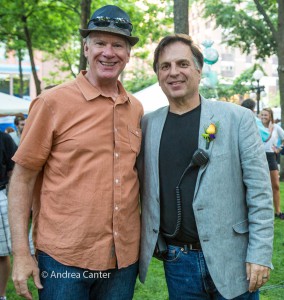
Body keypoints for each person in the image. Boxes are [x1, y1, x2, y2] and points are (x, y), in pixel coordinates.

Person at [8, 5, 143, 300]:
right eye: (100, 43)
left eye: (118, 44)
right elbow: (21, 179)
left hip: (122, 259)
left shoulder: (136, 109)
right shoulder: (51, 103)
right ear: (86, 47)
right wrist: (21, 253)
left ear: (128, 53)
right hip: (63, 258)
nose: (109, 52)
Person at [138, 34, 274, 300]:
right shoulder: (146, 125)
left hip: (234, 257)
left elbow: (260, 193)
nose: (173, 72)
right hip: (178, 262)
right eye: (165, 66)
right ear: (157, 74)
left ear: (199, 71)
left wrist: (259, 254)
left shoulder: (237, 119)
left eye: (182, 64)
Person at [0, 131, 17, 300]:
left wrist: (12, 196)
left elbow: (14, 170)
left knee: (1, 253)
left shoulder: (3, 138)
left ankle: (1, 295)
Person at [260, 107, 284, 220]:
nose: (264, 117)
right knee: (260, 187)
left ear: (270, 116)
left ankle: (278, 212)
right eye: (262, 115)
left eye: (266, 115)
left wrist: (279, 149)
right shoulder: (256, 126)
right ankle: (262, 212)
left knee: (275, 185)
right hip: (258, 156)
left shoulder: (276, 128)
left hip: (270, 156)